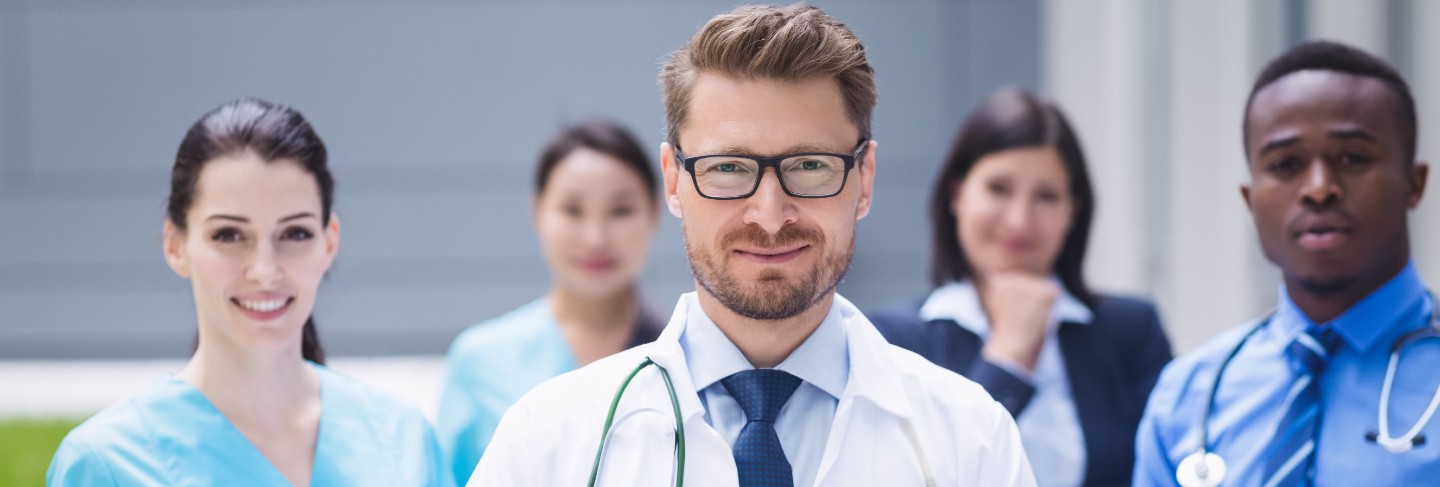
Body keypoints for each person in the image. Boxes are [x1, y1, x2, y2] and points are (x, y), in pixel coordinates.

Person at [469, 4, 1035, 486]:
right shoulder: (547, 443)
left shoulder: (970, 441)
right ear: (673, 181)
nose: (769, 216)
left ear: (864, 179)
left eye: (810, 166)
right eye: (729, 167)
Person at [47, 98, 451, 486]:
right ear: (176, 245)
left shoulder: (402, 441)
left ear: (329, 243)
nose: (264, 270)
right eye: (229, 235)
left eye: (295, 233)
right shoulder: (107, 465)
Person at [1134, 40, 1438, 485]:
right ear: (1250, 199)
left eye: (1352, 158)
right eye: (1286, 164)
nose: (1319, 188)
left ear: (1414, 184)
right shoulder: (1186, 396)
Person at [868, 87, 1172, 487]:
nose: (1019, 221)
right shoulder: (892, 341)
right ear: (958, 194)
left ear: (1072, 211)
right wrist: (1008, 358)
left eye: (1046, 196)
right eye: (999, 189)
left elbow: (1170, 466)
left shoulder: (1130, 330)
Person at [437, 119, 664, 484]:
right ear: (537, 209)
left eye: (620, 211)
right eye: (572, 210)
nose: (595, 238)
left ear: (656, 210)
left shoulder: (683, 352)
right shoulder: (480, 362)